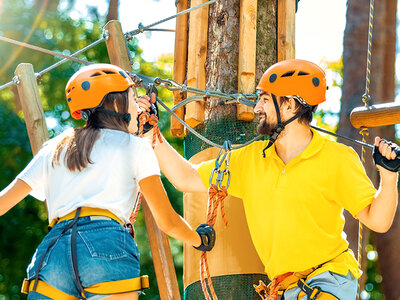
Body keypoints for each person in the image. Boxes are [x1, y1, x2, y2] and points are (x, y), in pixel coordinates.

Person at [145, 59, 399, 299]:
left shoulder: (337, 158)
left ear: (290, 104)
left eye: (265, 100)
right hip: (287, 289)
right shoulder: (250, 160)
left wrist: (388, 178)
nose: (257, 108)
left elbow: (378, 220)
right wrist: (151, 133)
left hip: (329, 279)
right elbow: (185, 178)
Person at [0, 63, 215, 300]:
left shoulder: (56, 147)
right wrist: (198, 239)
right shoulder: (135, 147)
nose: (138, 105)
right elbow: (167, 220)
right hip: (106, 245)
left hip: (54, 252)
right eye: (133, 97)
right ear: (115, 103)